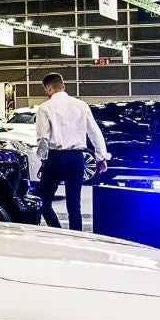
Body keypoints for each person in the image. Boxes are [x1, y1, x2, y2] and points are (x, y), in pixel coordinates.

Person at [33, 72, 108, 232]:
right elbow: (95, 133)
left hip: (55, 158)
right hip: (76, 159)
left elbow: (43, 140)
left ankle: (58, 232)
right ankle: (77, 238)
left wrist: (43, 160)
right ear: (63, 86)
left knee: (44, 202)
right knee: (74, 204)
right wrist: (101, 158)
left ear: (48, 89)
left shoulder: (45, 108)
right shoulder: (81, 105)